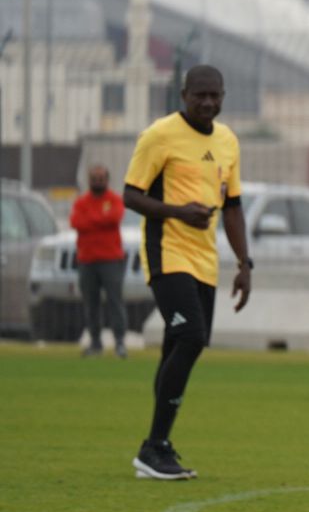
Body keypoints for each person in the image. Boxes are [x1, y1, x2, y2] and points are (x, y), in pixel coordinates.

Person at [122, 65, 252, 479]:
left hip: (204, 261)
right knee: (191, 338)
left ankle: (157, 447)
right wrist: (178, 213)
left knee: (176, 348)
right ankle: (154, 447)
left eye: (215, 95)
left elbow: (233, 207)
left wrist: (244, 263)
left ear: (223, 96)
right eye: (200, 95)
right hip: (167, 253)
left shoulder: (228, 141)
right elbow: (130, 195)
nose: (208, 103)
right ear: (184, 95)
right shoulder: (159, 135)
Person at [71, 164, 128, 358]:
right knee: (90, 303)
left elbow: (114, 218)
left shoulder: (114, 199)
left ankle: (120, 343)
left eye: (101, 178)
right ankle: (95, 343)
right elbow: (76, 222)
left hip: (111, 260)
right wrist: (101, 219)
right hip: (87, 260)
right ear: (89, 181)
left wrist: (92, 220)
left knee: (115, 301)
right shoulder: (81, 202)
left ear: (107, 180)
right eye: (94, 178)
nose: (97, 182)